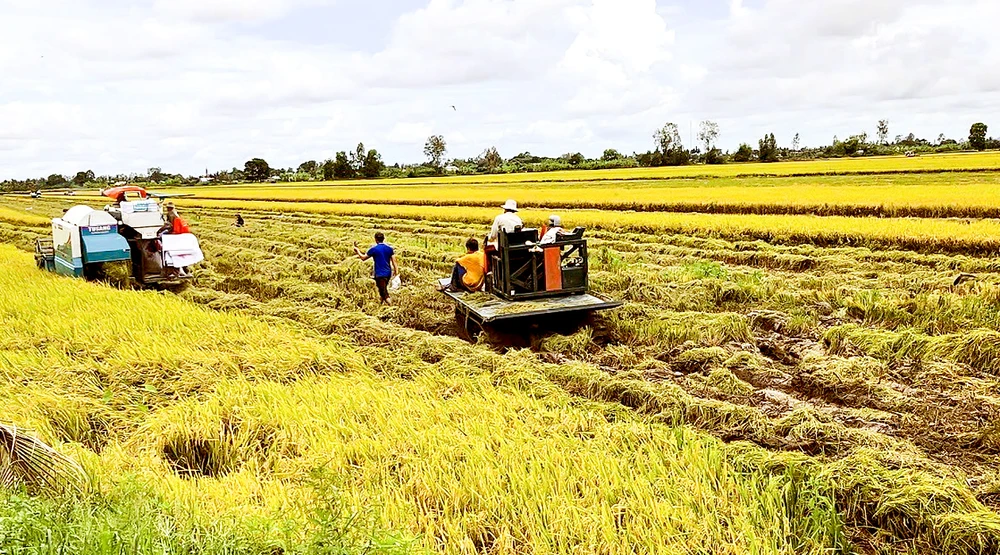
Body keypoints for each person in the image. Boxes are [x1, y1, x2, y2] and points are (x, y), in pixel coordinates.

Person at [353, 232, 399, 305]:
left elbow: (363, 258)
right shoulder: (389, 249)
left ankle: (392, 307)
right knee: (382, 289)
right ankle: (380, 306)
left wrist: (357, 251)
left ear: (375, 239)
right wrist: (396, 272)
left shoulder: (374, 249)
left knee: (383, 292)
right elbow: (394, 262)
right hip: (388, 273)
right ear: (383, 239)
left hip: (380, 274)